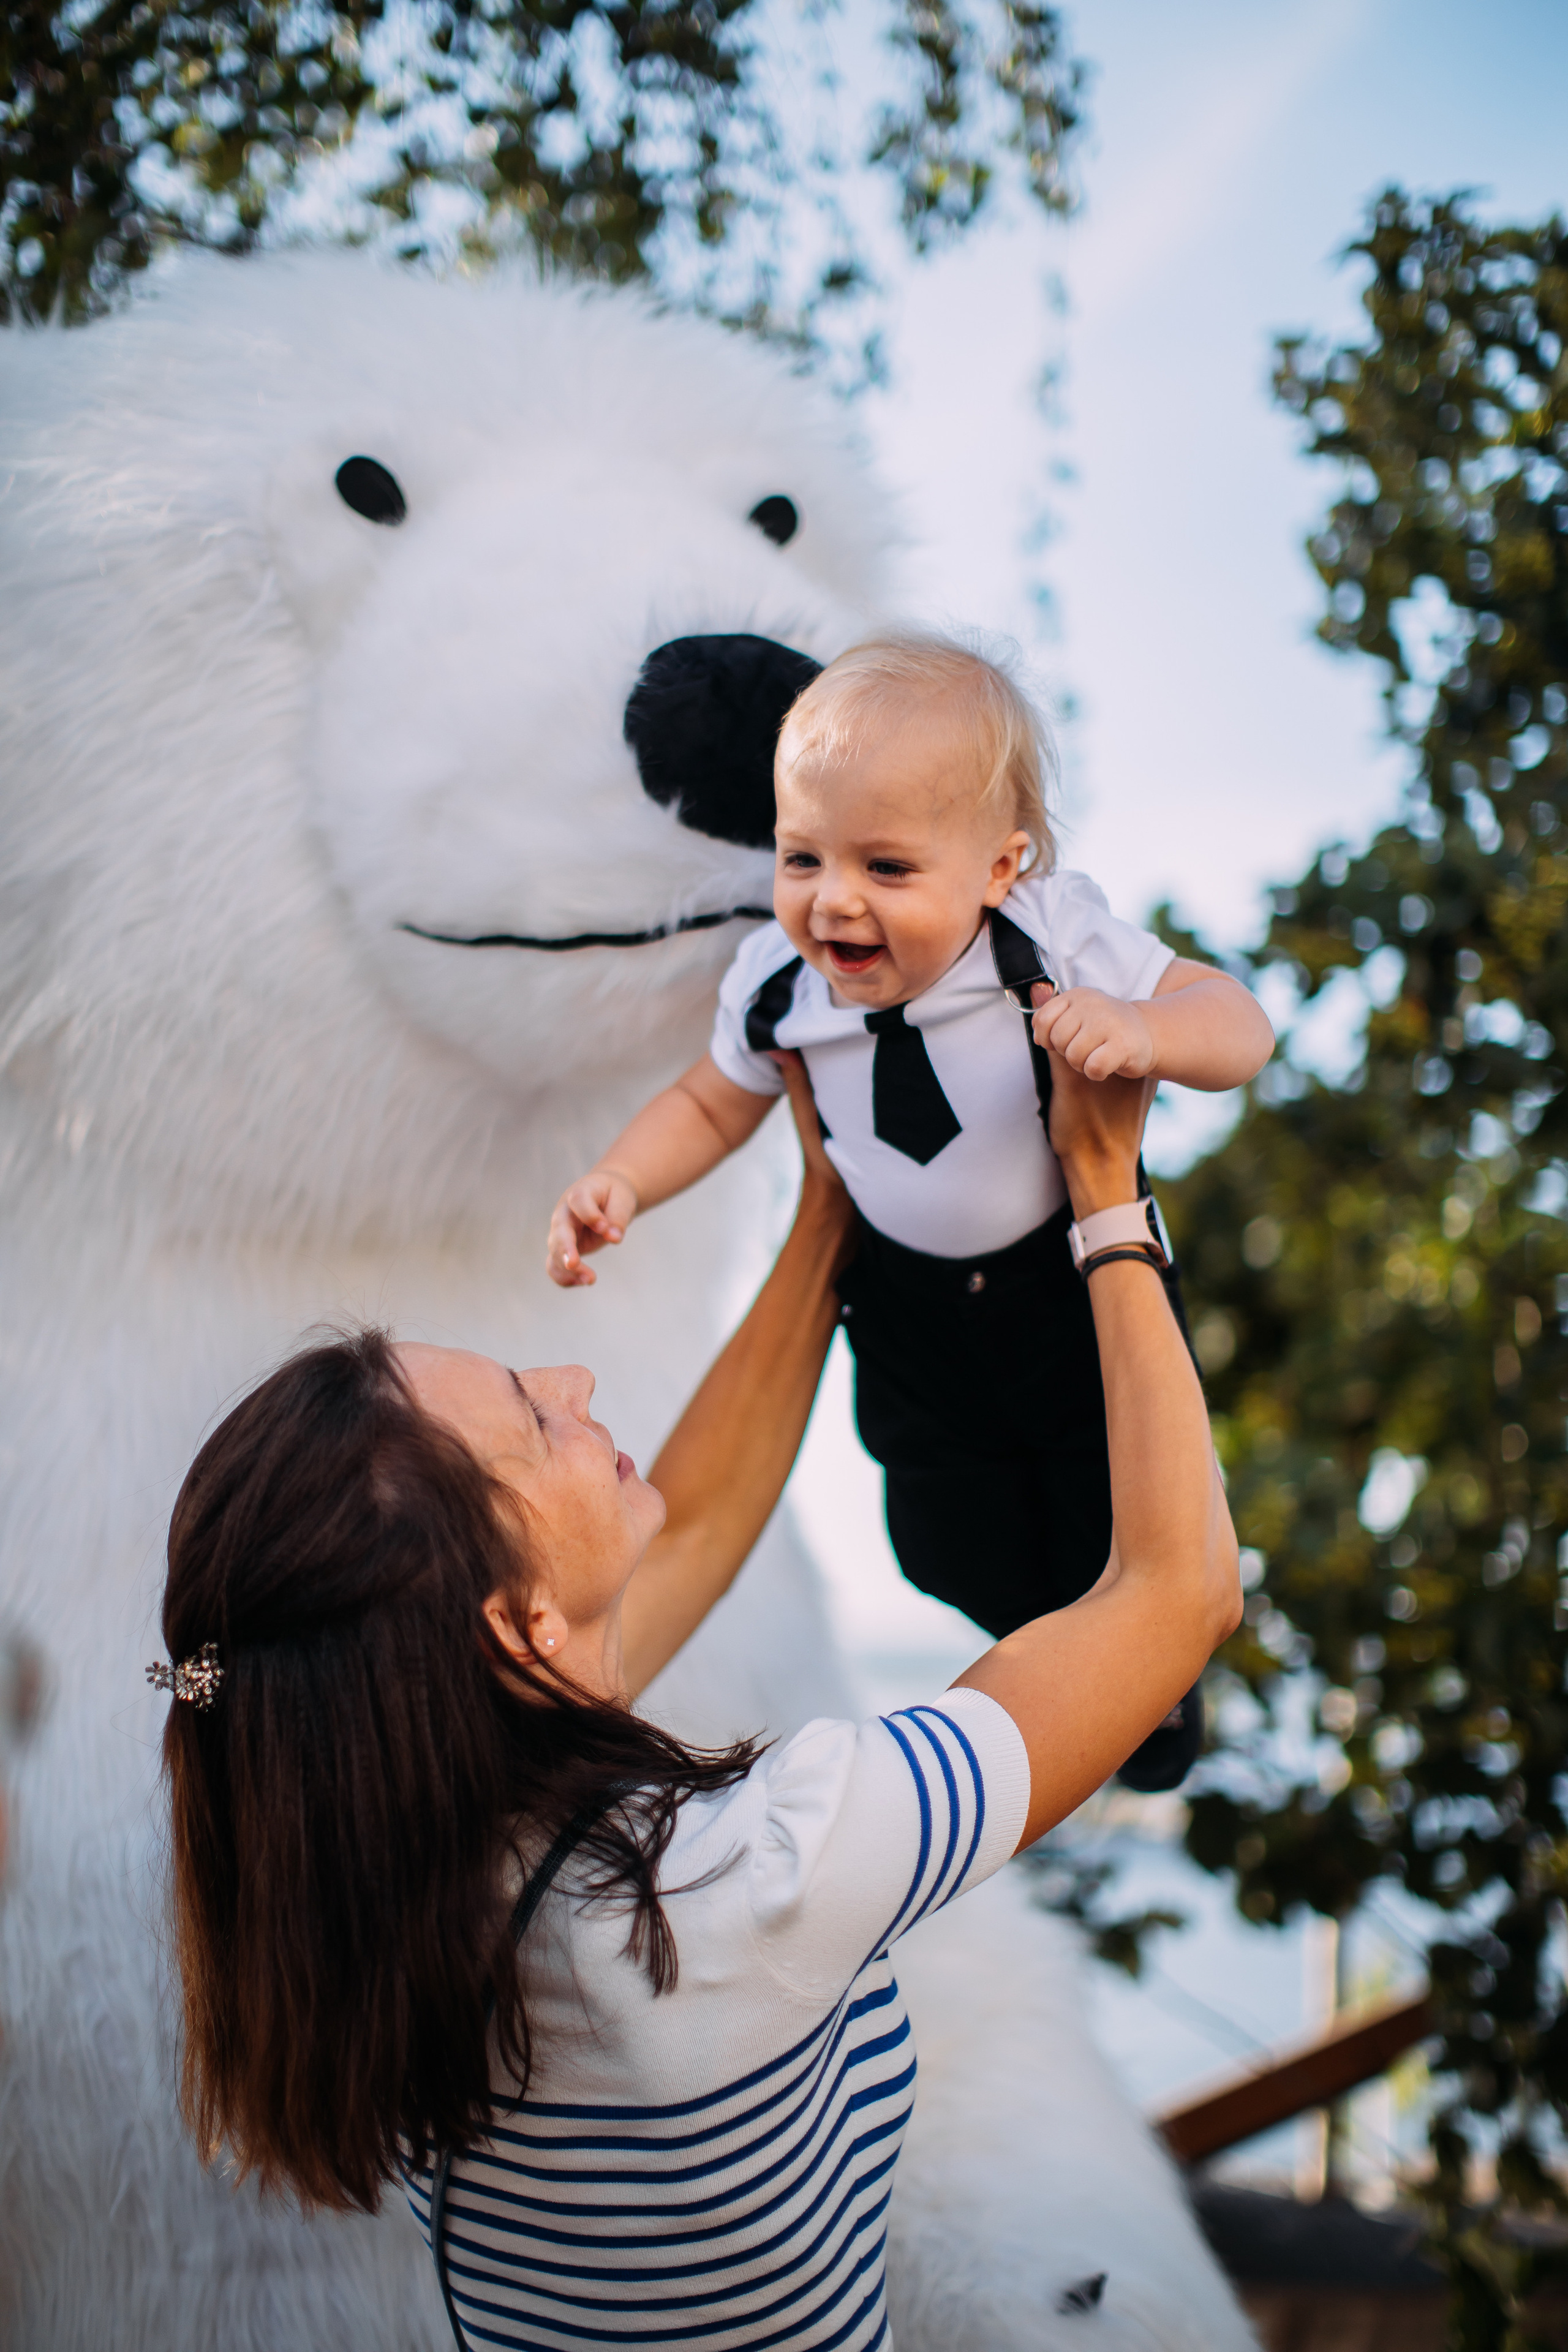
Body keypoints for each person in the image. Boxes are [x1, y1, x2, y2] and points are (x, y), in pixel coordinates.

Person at [151, 1045, 1240, 2352]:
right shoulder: (730, 1892)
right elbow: (1175, 1596)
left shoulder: (398, 1873)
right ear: (515, 1626)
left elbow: (702, 1520)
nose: (573, 1386)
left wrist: (829, 1205)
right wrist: (1108, 1197)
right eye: (528, 1418)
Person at [547, 632, 1272, 1788]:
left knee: (1116, 1499)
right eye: (803, 859)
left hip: (1066, 1284)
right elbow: (712, 1099)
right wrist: (623, 1180)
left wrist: (1145, 1032)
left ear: (999, 867)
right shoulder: (780, 986)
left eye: (887, 869)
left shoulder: (1052, 934)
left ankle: (1147, 1690)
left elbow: (1239, 1023)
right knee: (935, 1531)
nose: (834, 902)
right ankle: (1034, 1634)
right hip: (900, 1299)